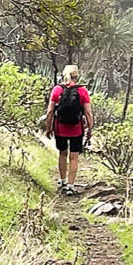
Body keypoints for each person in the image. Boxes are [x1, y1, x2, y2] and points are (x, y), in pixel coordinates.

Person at [45, 64, 93, 196]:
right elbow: (88, 112)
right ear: (77, 76)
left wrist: (48, 128)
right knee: (74, 157)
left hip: (60, 128)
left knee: (62, 153)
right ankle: (71, 186)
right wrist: (90, 128)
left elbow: (50, 112)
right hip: (77, 129)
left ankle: (62, 181)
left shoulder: (57, 89)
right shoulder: (82, 91)